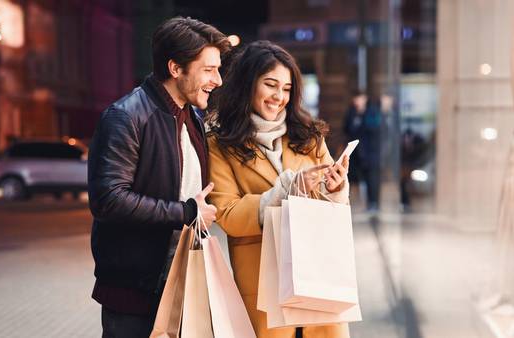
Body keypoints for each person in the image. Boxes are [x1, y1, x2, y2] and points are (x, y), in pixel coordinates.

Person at [87, 17, 230, 337]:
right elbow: (108, 200)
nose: (217, 80)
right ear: (175, 68)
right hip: (134, 292)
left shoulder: (192, 117)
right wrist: (186, 212)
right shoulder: (126, 116)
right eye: (208, 69)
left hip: (183, 281)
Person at [207, 40, 350, 338]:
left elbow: (331, 210)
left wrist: (335, 190)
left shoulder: (309, 136)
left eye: (286, 89)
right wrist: (283, 192)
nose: (279, 97)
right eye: (270, 85)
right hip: (262, 284)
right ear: (248, 85)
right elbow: (228, 215)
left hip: (317, 276)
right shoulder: (220, 145)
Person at [343, 90, 382, 212]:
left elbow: (375, 128)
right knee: (351, 177)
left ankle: (373, 203)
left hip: (370, 152)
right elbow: (347, 129)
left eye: (360, 98)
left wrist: (362, 117)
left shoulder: (372, 111)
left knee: (371, 178)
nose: (357, 101)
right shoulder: (351, 112)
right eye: (356, 99)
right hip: (355, 152)